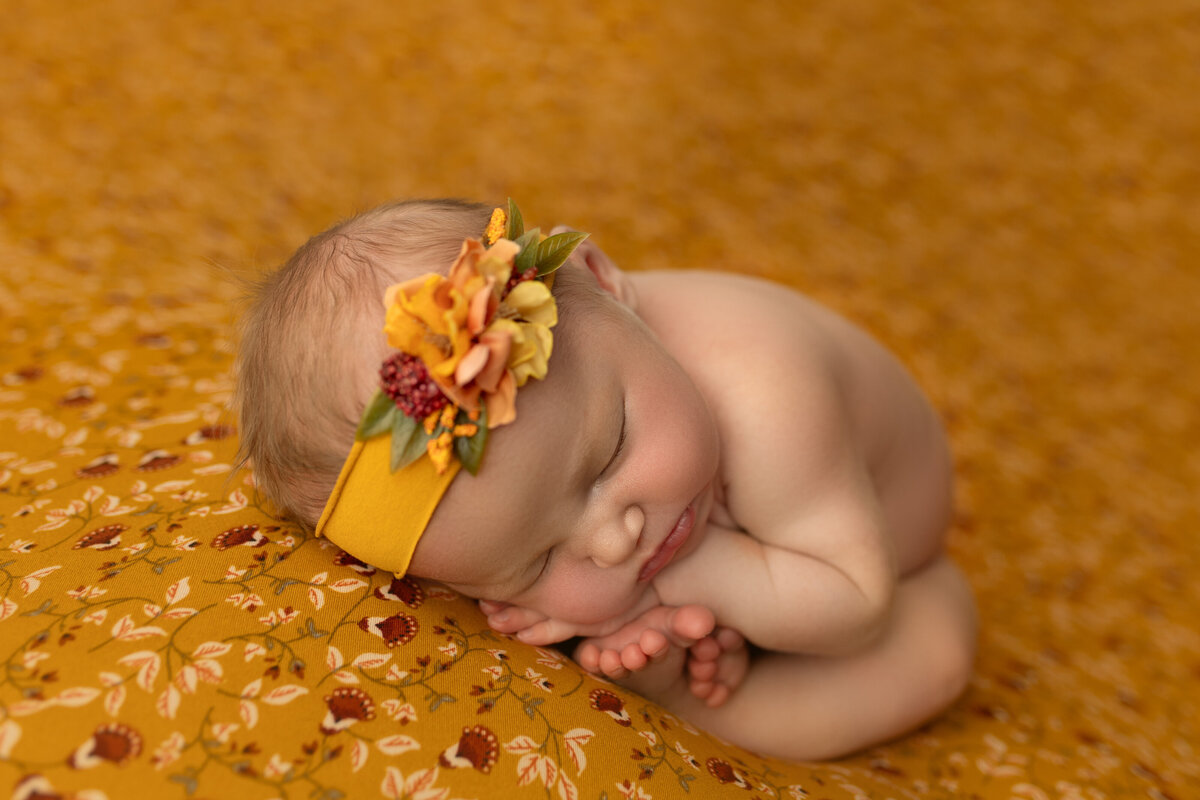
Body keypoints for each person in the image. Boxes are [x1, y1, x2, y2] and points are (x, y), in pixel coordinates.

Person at [234, 198, 977, 761]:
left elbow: (857, 602)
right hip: (760, 568)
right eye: (536, 559)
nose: (614, 538)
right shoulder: (597, 418)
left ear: (603, 281)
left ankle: (706, 701)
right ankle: (696, 659)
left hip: (875, 563)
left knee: (935, 656)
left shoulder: (764, 387)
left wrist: (694, 576)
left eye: (610, 453)